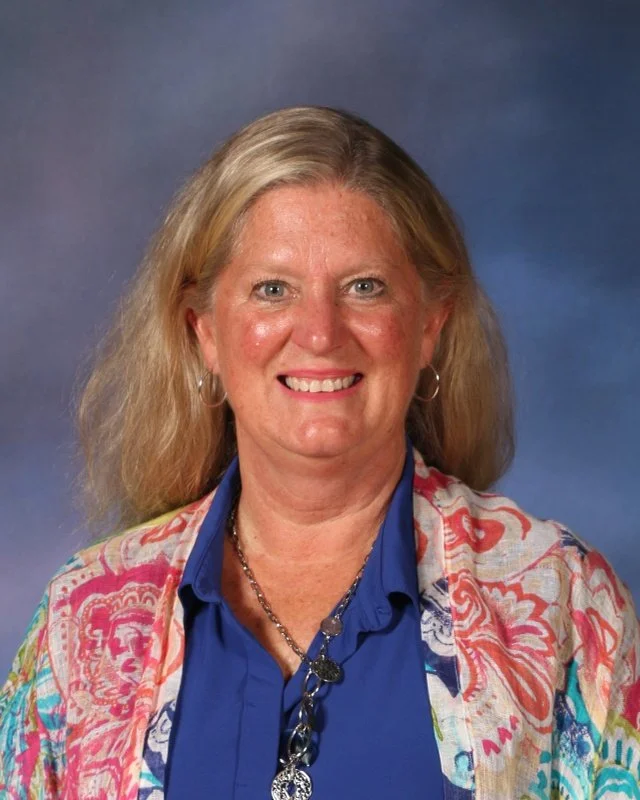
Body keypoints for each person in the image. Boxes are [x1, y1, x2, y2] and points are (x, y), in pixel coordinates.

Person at [1, 106, 638, 800]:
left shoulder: (561, 602)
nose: (320, 333)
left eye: (364, 287)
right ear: (205, 334)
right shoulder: (83, 621)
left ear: (429, 324)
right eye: (273, 290)